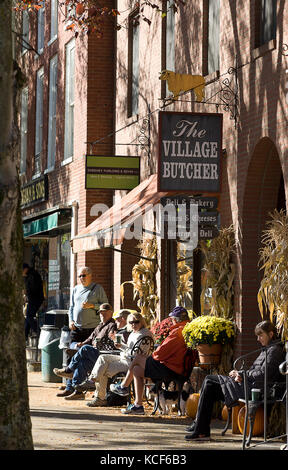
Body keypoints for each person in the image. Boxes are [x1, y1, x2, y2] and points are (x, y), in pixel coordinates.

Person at [184, 320, 285, 441]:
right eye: (257, 336)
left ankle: (201, 429)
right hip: (249, 384)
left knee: (210, 381)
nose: (258, 339)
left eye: (261, 335)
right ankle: (200, 427)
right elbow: (257, 371)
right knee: (209, 384)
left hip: (257, 390)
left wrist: (242, 374)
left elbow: (264, 374)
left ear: (271, 334)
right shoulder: (268, 349)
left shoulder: (275, 351)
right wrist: (240, 375)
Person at [110, 306, 192, 415]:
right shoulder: (184, 330)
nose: (171, 321)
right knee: (136, 369)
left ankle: (124, 386)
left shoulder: (177, 333)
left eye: (172, 319)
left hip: (171, 369)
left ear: (176, 319)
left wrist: (152, 355)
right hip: (175, 366)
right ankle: (138, 406)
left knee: (139, 357)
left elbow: (160, 353)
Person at [82, 312, 153, 407]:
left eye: (136, 322)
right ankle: (93, 380)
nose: (133, 324)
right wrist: (121, 346)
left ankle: (99, 397)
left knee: (102, 369)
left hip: (132, 362)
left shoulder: (144, 334)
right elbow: (131, 349)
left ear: (141, 322)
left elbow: (136, 355)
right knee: (102, 358)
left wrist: (123, 348)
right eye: (131, 322)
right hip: (125, 358)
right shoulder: (133, 333)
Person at [53, 303, 117, 399]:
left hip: (103, 356)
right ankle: (77, 391)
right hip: (95, 356)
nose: (102, 315)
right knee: (81, 363)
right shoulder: (99, 326)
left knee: (85, 349)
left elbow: (112, 341)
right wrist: (82, 343)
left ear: (111, 313)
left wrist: (95, 344)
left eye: (105, 313)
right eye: (100, 313)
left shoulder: (112, 325)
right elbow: (90, 339)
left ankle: (69, 369)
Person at [68, 266, 108, 346]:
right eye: (79, 276)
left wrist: (92, 306)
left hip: (92, 329)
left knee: (89, 353)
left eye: (83, 275)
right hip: (77, 328)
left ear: (90, 275)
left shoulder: (98, 288)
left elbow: (106, 307)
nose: (81, 278)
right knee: (72, 351)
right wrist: (70, 321)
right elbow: (71, 307)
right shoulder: (76, 289)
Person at [23, 263, 44, 340]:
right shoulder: (31, 274)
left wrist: (26, 292)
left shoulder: (32, 275)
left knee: (29, 316)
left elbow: (33, 288)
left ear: (25, 269)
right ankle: (25, 335)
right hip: (34, 299)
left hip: (35, 299)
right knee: (28, 316)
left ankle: (39, 333)